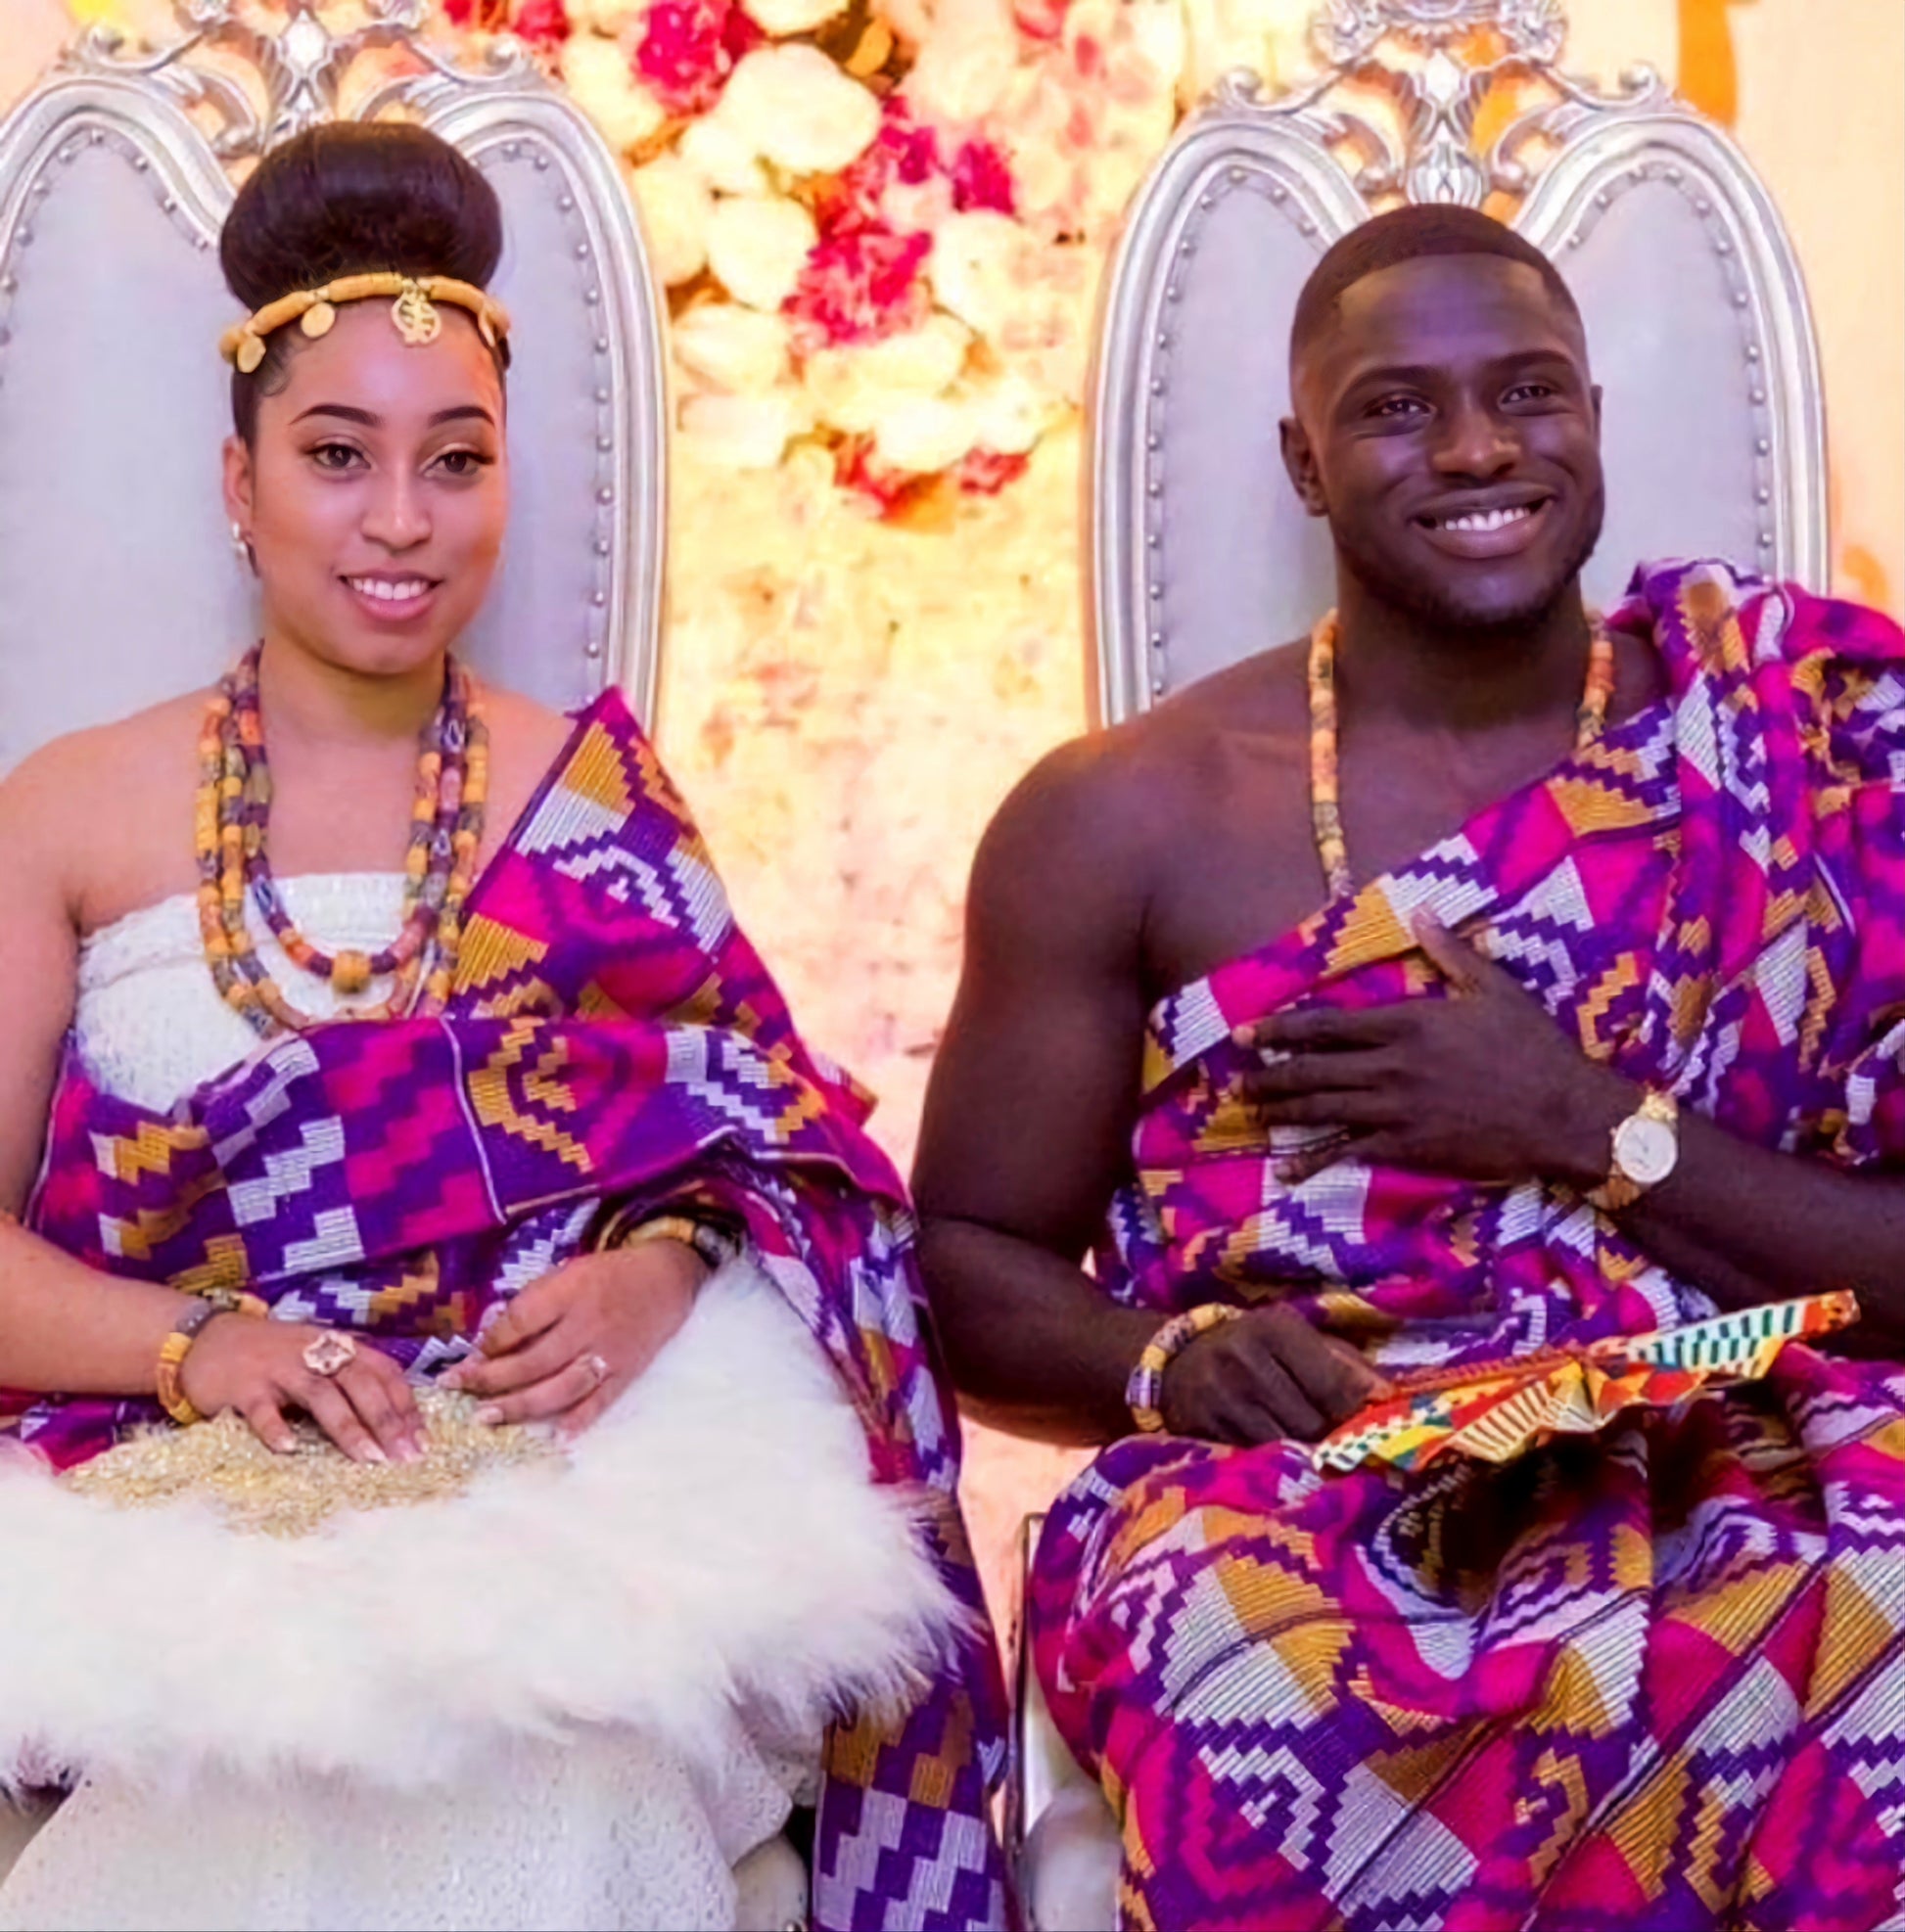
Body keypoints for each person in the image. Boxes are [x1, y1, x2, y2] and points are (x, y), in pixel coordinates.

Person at [0, 121, 1006, 1932]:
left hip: (568, 1493)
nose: (402, 519)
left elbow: (786, 1152)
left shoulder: (591, 806)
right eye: (337, 455)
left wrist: (665, 1269)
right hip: (180, 1501)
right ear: (239, 481)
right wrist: (202, 1345)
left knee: (554, 1752)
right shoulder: (69, 809)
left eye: (456, 459)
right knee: (270, 1750)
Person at [914, 203, 1905, 1931]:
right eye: (1395, 408)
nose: (1474, 449)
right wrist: (1158, 1354)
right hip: (1306, 1482)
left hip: (1753, 1431)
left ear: (1590, 416)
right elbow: (963, 1255)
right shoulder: (1121, 817)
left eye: (1525, 392)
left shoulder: (1806, 743)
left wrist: (1581, 1121)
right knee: (1236, 1654)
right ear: (1303, 462)